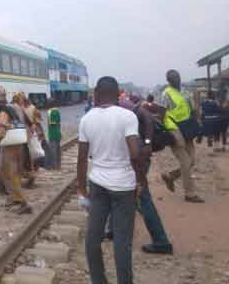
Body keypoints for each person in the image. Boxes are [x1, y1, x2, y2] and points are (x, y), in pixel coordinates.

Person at [77, 76, 146, 284]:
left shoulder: (87, 119)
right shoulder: (127, 116)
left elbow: (81, 159)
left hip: (97, 184)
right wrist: (141, 180)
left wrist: (81, 190)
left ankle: (99, 280)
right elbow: (135, 153)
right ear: (118, 95)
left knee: (93, 238)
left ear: (96, 94)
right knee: (122, 242)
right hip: (124, 187)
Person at [118, 96, 173, 254]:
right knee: (125, 194)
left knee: (142, 197)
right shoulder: (115, 108)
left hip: (139, 157)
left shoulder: (123, 105)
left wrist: (148, 142)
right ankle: (113, 230)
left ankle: (161, 241)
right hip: (137, 157)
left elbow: (147, 117)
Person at [154, 70, 204, 203]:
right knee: (186, 162)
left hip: (187, 128)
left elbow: (193, 110)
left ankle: (171, 176)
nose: (176, 79)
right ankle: (190, 193)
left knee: (192, 160)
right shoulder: (165, 94)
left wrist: (198, 128)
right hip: (174, 129)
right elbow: (161, 113)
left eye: (177, 77)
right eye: (172, 78)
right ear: (168, 81)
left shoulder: (185, 92)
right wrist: (164, 132)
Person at [0, 87, 33, 214]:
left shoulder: (4, 112)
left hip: (9, 147)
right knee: (11, 173)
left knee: (8, 174)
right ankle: (14, 198)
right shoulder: (16, 107)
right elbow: (28, 122)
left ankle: (23, 202)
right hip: (20, 144)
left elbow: (0, 132)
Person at [47, 100, 62, 170]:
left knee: (53, 150)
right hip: (58, 133)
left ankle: (54, 166)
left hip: (52, 133)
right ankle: (59, 165)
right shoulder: (58, 111)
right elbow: (59, 122)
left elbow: (51, 123)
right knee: (58, 149)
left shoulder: (49, 112)